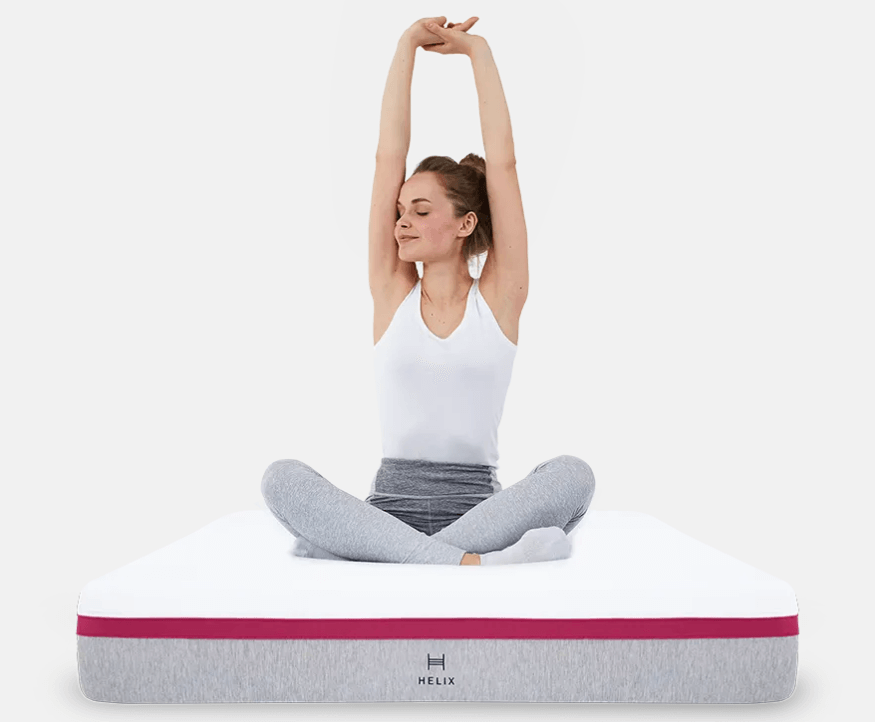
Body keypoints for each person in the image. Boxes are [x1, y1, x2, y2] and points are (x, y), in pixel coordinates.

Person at [261, 17, 595, 566]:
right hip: (387, 509)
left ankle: (396, 559)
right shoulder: (392, 290)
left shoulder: (499, 299)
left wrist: (478, 52)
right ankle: (459, 564)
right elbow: (386, 160)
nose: (402, 223)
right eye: (399, 211)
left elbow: (504, 164)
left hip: (480, 514)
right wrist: (405, 47)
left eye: (421, 211)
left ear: (465, 224)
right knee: (281, 480)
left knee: (574, 476)